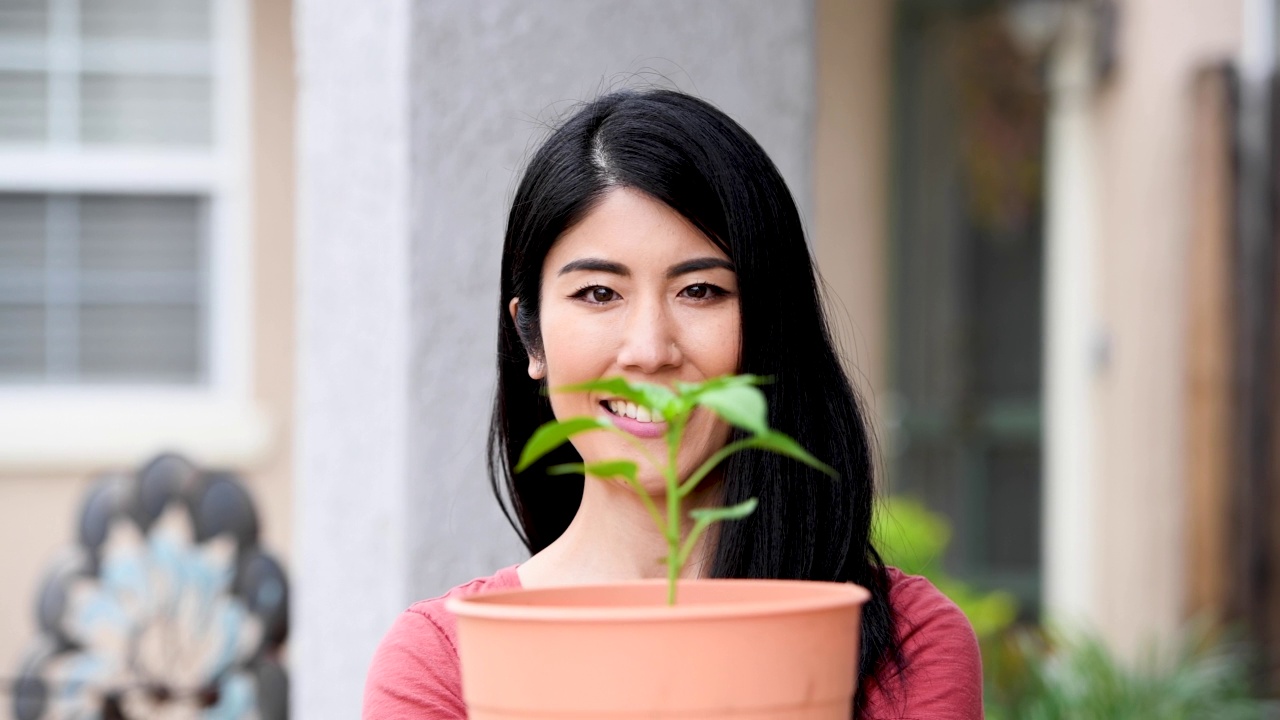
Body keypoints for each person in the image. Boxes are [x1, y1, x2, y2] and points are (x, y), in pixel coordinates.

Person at [363, 89, 983, 719]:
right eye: (600, 293)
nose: (650, 350)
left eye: (701, 290)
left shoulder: (908, 645)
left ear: (771, 327)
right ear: (532, 337)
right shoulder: (443, 666)